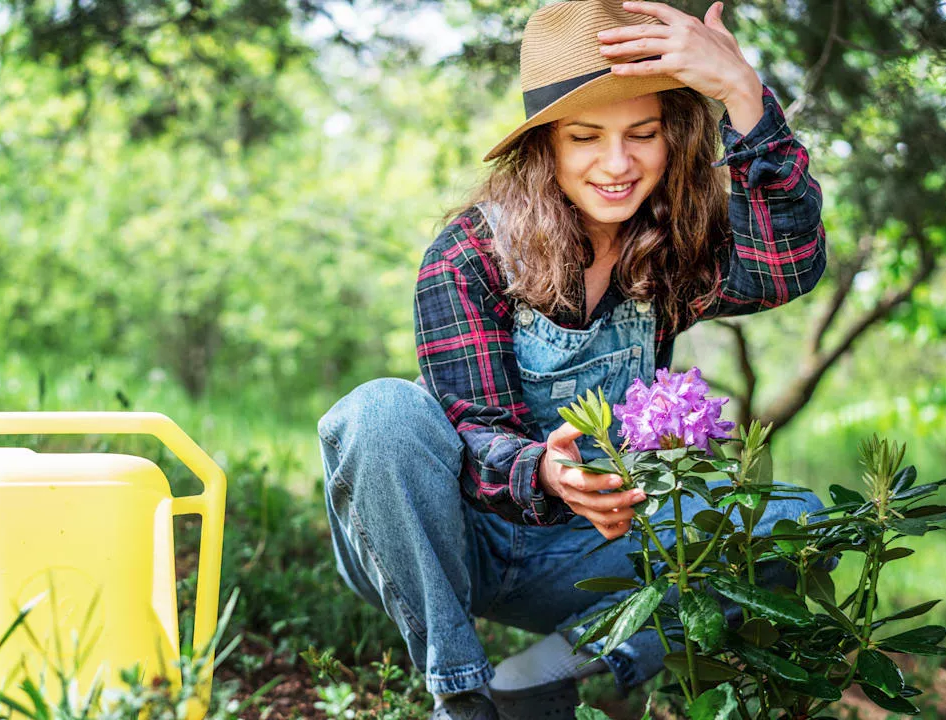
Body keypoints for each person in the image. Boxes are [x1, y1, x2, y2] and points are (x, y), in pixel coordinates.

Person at [317, 1, 828, 718]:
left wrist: (743, 95)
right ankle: (459, 697)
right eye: (586, 136)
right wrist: (544, 469)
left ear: (671, 137)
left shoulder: (670, 244)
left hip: (585, 551)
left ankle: (537, 680)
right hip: (450, 543)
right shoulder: (470, 254)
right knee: (380, 410)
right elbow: (470, 427)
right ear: (545, 144)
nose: (616, 165)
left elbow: (787, 267)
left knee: (800, 521)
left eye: (641, 134)